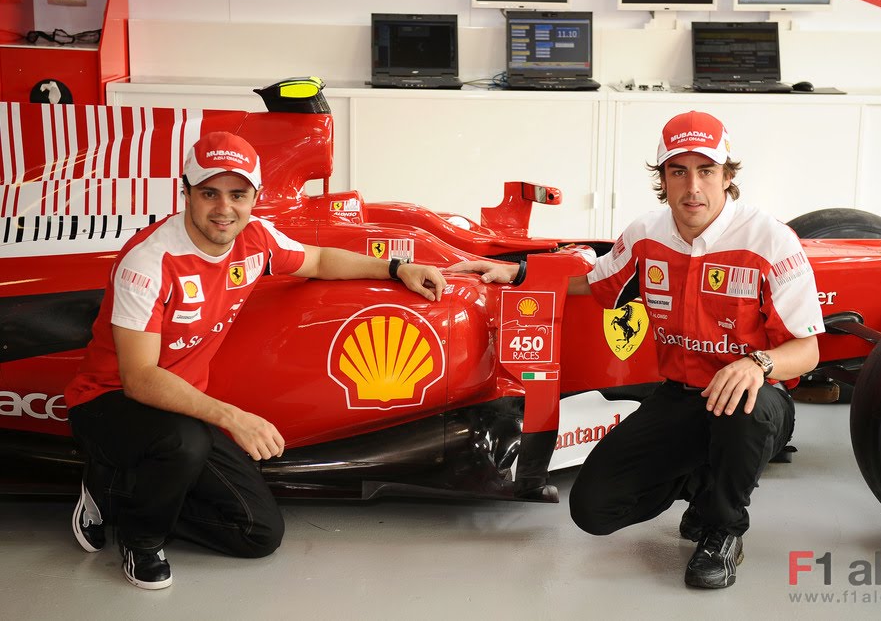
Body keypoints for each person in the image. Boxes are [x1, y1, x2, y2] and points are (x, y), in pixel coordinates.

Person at [452, 111, 823, 588]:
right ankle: (705, 485)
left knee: (739, 409)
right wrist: (519, 272)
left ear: (728, 176)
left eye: (706, 170)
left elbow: (808, 350)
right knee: (593, 508)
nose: (693, 187)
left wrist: (757, 363)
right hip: (681, 395)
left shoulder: (769, 240)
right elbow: (592, 280)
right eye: (678, 171)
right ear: (662, 179)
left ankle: (723, 530)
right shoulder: (647, 233)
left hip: (757, 399)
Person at [64, 131, 446, 590]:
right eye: (209, 193)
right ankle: (140, 538)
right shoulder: (148, 261)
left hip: (182, 408)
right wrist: (233, 418)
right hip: (108, 403)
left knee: (258, 533)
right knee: (184, 442)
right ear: (186, 192)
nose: (224, 208)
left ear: (255, 197)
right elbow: (140, 378)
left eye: (238, 195)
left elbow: (319, 260)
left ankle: (114, 492)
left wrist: (397, 268)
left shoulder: (256, 238)